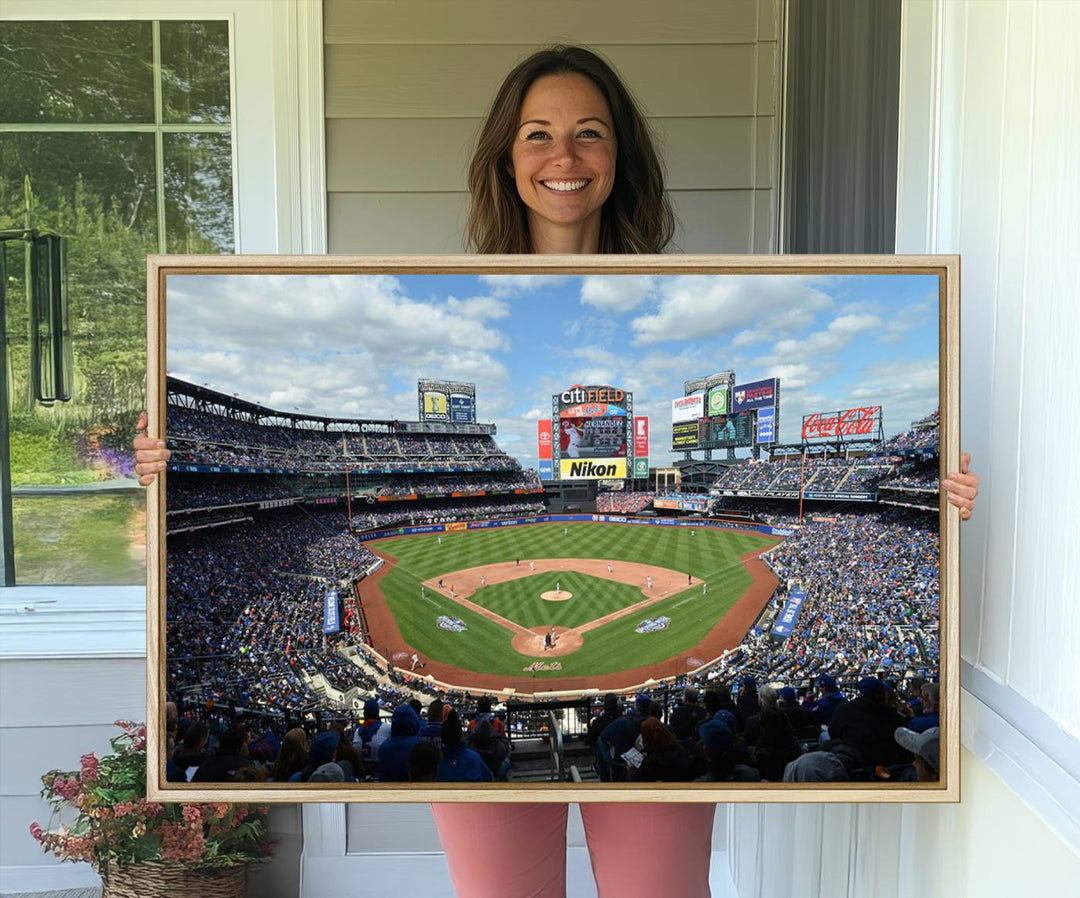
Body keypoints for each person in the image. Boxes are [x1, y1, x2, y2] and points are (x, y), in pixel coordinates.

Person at [134, 42, 981, 898]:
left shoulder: (696, 284)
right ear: (506, 157)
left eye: (590, 133)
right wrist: (161, 468)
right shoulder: (447, 284)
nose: (564, 156)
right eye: (537, 134)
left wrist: (935, 494)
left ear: (621, 157)